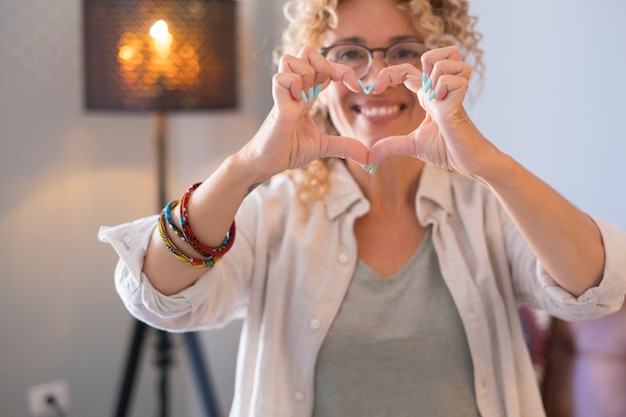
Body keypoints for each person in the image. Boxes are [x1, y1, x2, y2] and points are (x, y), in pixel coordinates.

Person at [98, 0, 626, 416]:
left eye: (402, 52)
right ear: (318, 80)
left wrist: (490, 165)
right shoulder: (276, 214)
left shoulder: (485, 207)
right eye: (349, 53)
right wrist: (249, 165)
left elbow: (598, 291)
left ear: (437, 69)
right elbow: (156, 298)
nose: (376, 77)